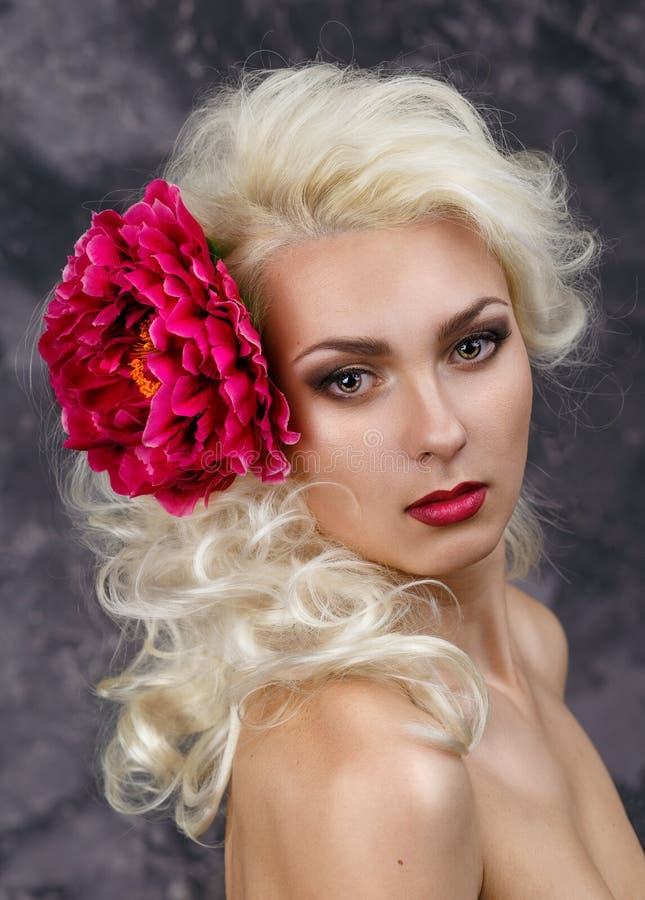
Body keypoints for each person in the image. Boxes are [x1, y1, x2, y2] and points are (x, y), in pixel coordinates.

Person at [38, 62, 644, 898]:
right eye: (349, 379)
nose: (440, 431)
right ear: (249, 419)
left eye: (471, 345)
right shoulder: (385, 767)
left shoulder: (529, 644)